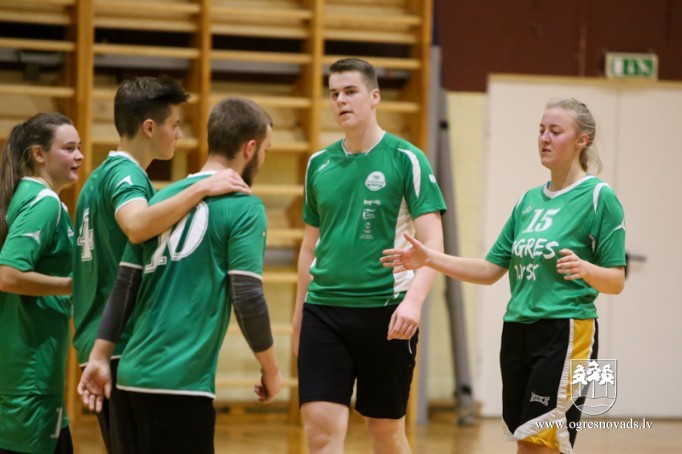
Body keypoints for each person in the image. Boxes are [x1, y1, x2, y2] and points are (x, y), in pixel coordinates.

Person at [382, 98, 626, 454]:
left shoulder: (599, 197)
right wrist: (429, 258)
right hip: (517, 331)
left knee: (541, 444)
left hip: (567, 332)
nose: (544, 138)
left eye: (555, 131)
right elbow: (489, 270)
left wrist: (586, 269)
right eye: (541, 130)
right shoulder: (528, 202)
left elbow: (616, 281)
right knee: (525, 441)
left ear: (582, 140)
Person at [77, 96, 284, 454]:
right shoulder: (244, 206)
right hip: (181, 382)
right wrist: (271, 369)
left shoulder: (161, 199)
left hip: (130, 377)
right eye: (265, 150)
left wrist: (99, 356)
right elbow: (248, 297)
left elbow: (125, 285)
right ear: (250, 148)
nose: (263, 159)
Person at [292, 57, 446, 453]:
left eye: (350, 91)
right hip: (324, 312)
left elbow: (433, 244)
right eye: (334, 94)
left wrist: (413, 303)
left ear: (374, 96)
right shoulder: (318, 164)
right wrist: (299, 315)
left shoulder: (406, 158)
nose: (340, 101)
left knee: (385, 432)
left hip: (387, 312)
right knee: (320, 432)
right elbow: (310, 246)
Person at [0, 112, 84, 453]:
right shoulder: (44, 203)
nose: (80, 155)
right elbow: (8, 274)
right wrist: (76, 285)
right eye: (69, 148)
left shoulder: (22, 195)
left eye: (79, 147)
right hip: (31, 373)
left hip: (27, 370)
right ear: (38, 154)